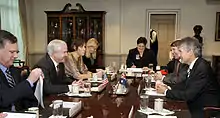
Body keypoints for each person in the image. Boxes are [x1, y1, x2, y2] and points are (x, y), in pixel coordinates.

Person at [156, 37, 220, 118]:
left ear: (190, 52)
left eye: (180, 51)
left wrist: (166, 92)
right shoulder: (195, 64)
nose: (179, 54)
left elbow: (188, 95)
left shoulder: (201, 67)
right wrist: (169, 87)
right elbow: (185, 84)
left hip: (204, 109)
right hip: (194, 102)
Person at [0, 30, 43, 111]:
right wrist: (29, 81)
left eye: (17, 52)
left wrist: (36, 81)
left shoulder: (14, 71)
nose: (16, 56)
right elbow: (3, 99)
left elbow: (27, 98)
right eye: (12, 52)